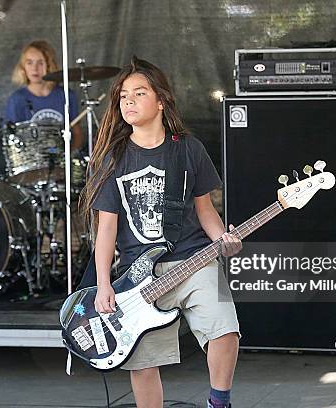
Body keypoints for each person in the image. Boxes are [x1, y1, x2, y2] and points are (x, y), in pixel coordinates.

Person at [80, 56, 241, 408]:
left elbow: (205, 209)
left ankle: (219, 401)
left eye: (139, 93)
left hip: (194, 259)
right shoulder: (112, 158)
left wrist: (222, 241)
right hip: (138, 276)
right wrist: (104, 284)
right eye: (124, 96)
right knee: (144, 363)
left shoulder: (189, 148)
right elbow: (105, 229)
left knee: (225, 330)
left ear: (161, 100)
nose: (129, 101)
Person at [5, 40, 84, 150]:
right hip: (31, 162)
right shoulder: (17, 99)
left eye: (40, 63)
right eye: (29, 62)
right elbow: (11, 138)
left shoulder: (66, 95)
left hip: (62, 161)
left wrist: (69, 156)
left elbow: (77, 133)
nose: (35, 68)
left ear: (50, 65)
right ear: (23, 67)